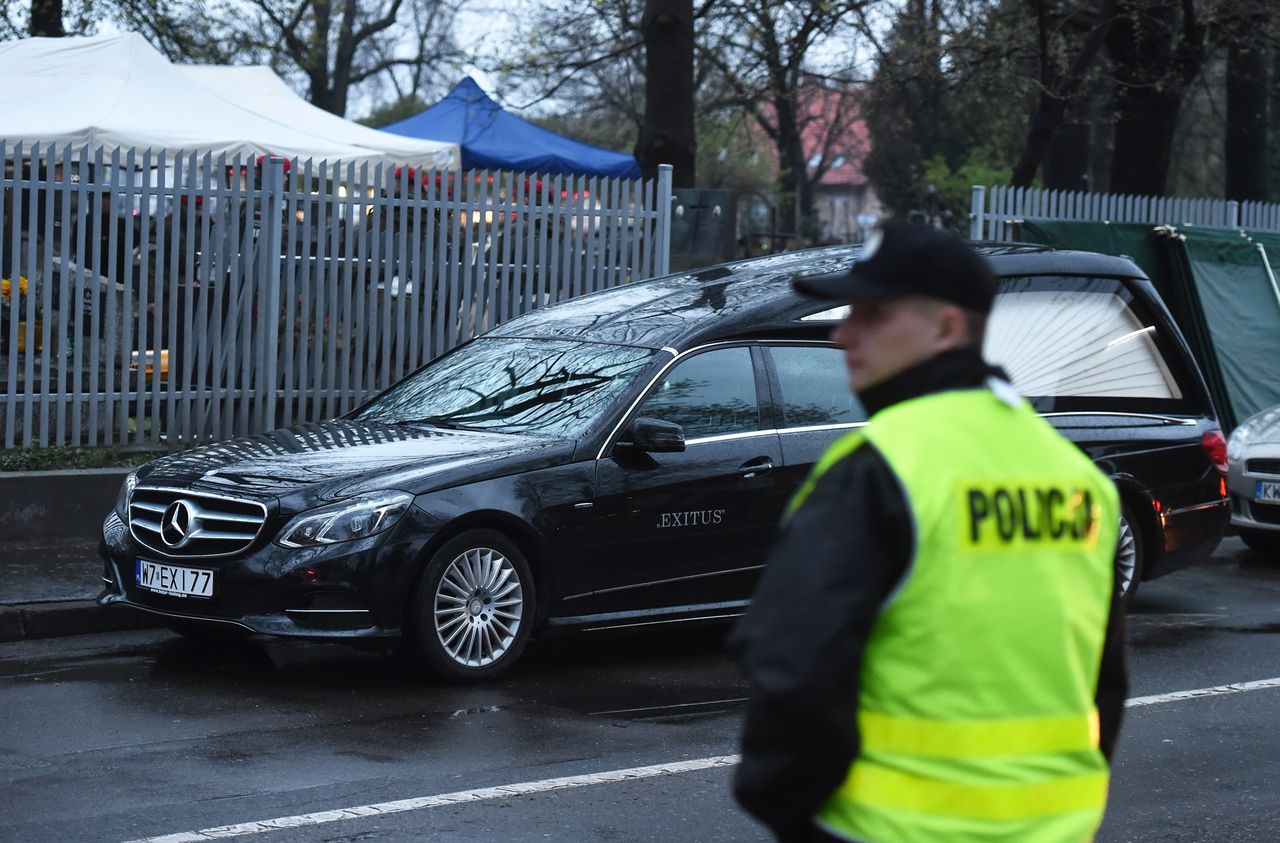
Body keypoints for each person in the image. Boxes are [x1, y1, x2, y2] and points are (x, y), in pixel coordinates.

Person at [729, 221, 1128, 843]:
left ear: (945, 328)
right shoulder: (1079, 479)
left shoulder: (880, 467)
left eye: (873, 313)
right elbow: (1103, 685)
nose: (843, 333)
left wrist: (789, 811)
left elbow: (793, 667)